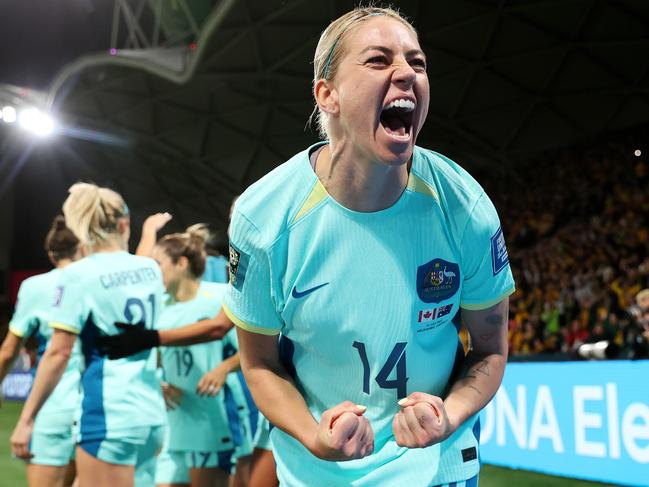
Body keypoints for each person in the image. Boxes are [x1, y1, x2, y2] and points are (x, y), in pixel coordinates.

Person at [223, 7, 515, 487]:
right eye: (379, 60)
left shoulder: (464, 207)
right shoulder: (263, 219)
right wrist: (314, 436)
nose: (406, 73)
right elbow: (259, 365)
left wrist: (450, 412)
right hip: (318, 473)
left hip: (437, 470)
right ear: (327, 94)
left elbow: (490, 349)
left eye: (417, 63)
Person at [10, 183, 167, 487]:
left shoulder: (78, 276)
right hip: (151, 414)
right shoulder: (150, 268)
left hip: (109, 414)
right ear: (124, 225)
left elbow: (59, 352)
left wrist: (28, 418)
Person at [151, 226, 251, 487]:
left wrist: (222, 369)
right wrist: (157, 384)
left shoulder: (218, 297)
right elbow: (156, 360)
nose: (153, 271)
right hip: (173, 422)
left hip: (211, 419)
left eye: (157, 263)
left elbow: (254, 351)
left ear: (181, 263)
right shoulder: (159, 305)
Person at [0, 216, 82, 487]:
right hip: (95, 403)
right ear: (81, 248)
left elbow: (9, 350)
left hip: (53, 403)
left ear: (50, 254)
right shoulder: (96, 280)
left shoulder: (34, 287)